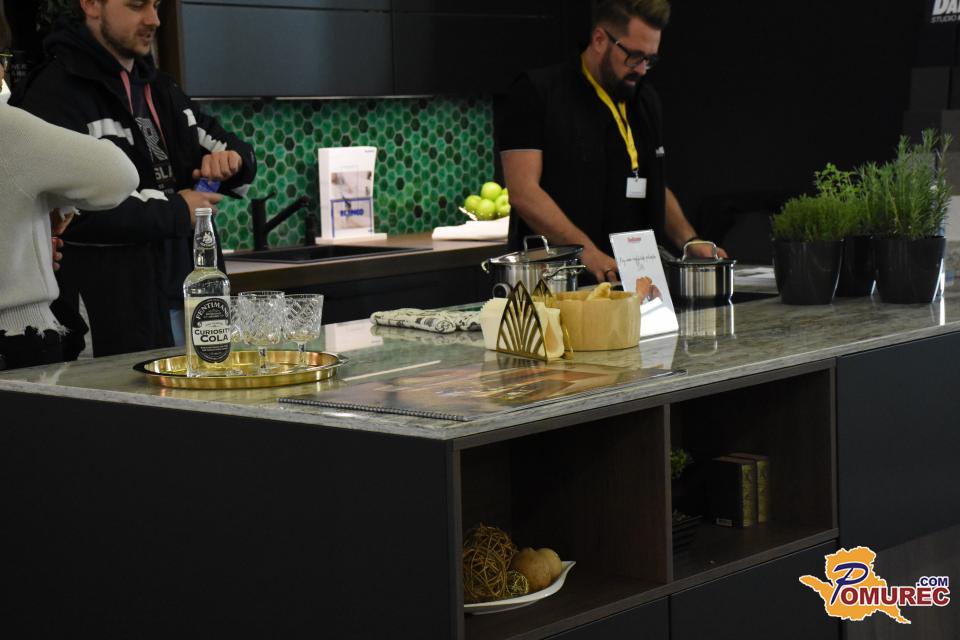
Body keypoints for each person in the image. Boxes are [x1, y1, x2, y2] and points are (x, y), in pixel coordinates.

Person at [10, 0, 256, 357]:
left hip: (189, 300)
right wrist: (176, 210)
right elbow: (64, 213)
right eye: (137, 5)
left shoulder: (160, 89)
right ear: (91, 5)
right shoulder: (53, 94)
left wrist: (231, 161)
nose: (153, 19)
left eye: (155, 5)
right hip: (112, 315)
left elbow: (232, 148)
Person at [498, 0, 727, 285]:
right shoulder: (537, 93)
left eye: (650, 60)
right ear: (599, 39)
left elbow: (654, 185)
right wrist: (587, 253)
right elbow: (523, 193)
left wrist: (690, 241)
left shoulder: (645, 100)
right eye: (635, 56)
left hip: (633, 283)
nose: (642, 69)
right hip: (559, 282)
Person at [0, 56, 139, 370]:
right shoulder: (6, 125)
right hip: (16, 334)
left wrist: (44, 203)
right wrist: (59, 198)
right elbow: (118, 174)